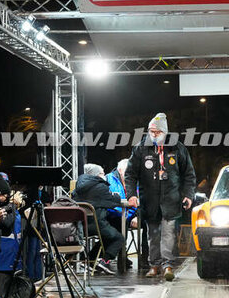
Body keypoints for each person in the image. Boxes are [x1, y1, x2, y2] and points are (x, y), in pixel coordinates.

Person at [125, 113, 196, 281]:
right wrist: (131, 195)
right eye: (151, 131)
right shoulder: (141, 148)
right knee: (153, 234)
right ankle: (154, 265)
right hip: (150, 200)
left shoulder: (177, 148)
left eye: (157, 132)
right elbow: (130, 175)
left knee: (168, 233)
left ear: (165, 132)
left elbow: (189, 174)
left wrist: (188, 195)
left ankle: (168, 265)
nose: (154, 135)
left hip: (171, 200)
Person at [72, 164, 125, 275]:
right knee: (118, 238)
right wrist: (116, 195)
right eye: (102, 173)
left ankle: (88, 260)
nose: (104, 175)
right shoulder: (100, 187)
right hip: (96, 224)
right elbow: (114, 201)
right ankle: (104, 262)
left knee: (107, 237)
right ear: (96, 174)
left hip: (80, 227)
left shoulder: (77, 189)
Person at [105, 159, 142, 268]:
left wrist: (137, 216)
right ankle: (121, 257)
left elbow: (141, 200)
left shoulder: (135, 181)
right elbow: (108, 200)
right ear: (120, 170)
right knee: (120, 224)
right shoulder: (108, 179)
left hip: (130, 214)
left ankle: (144, 259)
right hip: (113, 213)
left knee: (147, 221)